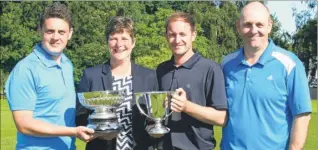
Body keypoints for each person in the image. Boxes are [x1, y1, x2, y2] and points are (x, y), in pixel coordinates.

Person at [221, 2, 312, 150]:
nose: (254, 30)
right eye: (248, 24)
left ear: (270, 25)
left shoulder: (290, 64)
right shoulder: (226, 64)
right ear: (238, 26)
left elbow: (302, 115)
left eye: (259, 24)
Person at [5, 2, 94, 150]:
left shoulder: (67, 64)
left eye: (61, 32)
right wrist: (73, 131)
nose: (55, 37)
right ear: (40, 30)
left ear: (70, 33)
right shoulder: (26, 69)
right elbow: (24, 124)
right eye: (50, 31)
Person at [75, 16, 159, 150]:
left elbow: (155, 116)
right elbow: (80, 117)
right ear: (107, 42)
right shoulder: (91, 75)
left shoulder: (149, 76)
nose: (119, 44)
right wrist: (95, 130)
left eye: (124, 38)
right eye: (113, 38)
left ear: (133, 42)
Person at [156, 12, 228, 150]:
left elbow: (221, 118)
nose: (177, 40)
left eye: (183, 34)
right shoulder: (161, 70)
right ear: (166, 36)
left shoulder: (210, 69)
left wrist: (186, 106)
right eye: (172, 34)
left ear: (193, 35)